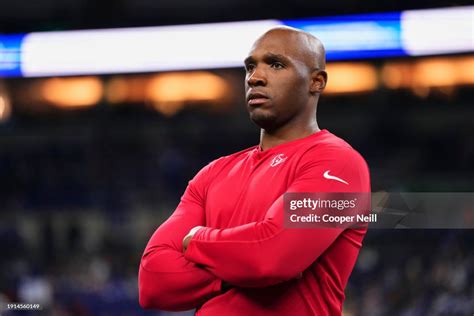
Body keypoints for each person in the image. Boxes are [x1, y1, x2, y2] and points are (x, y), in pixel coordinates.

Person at [139, 26, 371, 315]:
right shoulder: (212, 173)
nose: (255, 77)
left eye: (276, 64)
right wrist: (241, 267)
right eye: (250, 66)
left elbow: (271, 257)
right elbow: (154, 281)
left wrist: (197, 239)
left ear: (316, 81)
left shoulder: (338, 163)